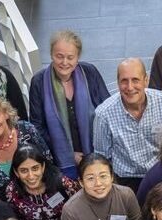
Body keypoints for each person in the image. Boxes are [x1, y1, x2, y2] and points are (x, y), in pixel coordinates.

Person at [28, 30, 111, 179]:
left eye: (70, 57)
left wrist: (93, 152)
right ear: (51, 54)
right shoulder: (39, 82)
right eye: (59, 56)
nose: (64, 62)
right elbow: (37, 127)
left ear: (77, 58)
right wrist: (69, 154)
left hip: (96, 152)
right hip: (61, 158)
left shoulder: (90, 72)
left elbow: (107, 110)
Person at [94, 58, 162, 193]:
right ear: (118, 83)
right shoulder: (103, 114)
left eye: (135, 80)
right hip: (126, 180)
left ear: (146, 80)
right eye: (124, 81)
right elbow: (102, 158)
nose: (130, 87)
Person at [3, 144, 81, 220]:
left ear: (43, 167)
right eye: (24, 170)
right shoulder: (12, 192)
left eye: (35, 168)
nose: (31, 176)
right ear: (16, 172)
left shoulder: (61, 183)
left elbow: (81, 209)